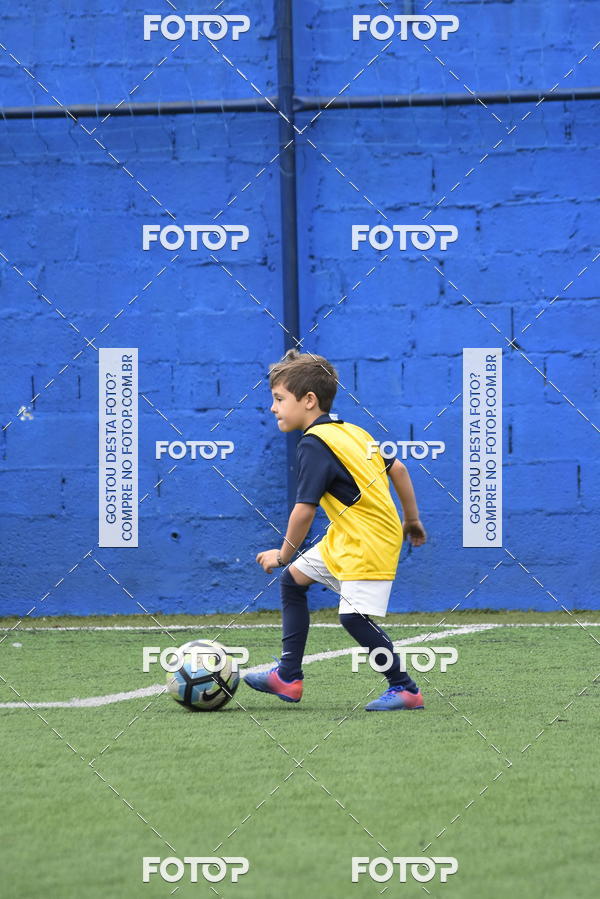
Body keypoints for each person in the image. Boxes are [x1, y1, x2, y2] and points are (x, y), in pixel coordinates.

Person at [244, 349, 427, 710]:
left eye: (279, 399)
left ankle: (405, 688)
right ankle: (288, 677)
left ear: (308, 401)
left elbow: (303, 511)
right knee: (293, 581)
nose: (273, 408)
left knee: (353, 617)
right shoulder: (353, 431)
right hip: (349, 535)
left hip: (368, 540)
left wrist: (283, 553)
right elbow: (400, 470)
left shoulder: (314, 444)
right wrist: (411, 519)